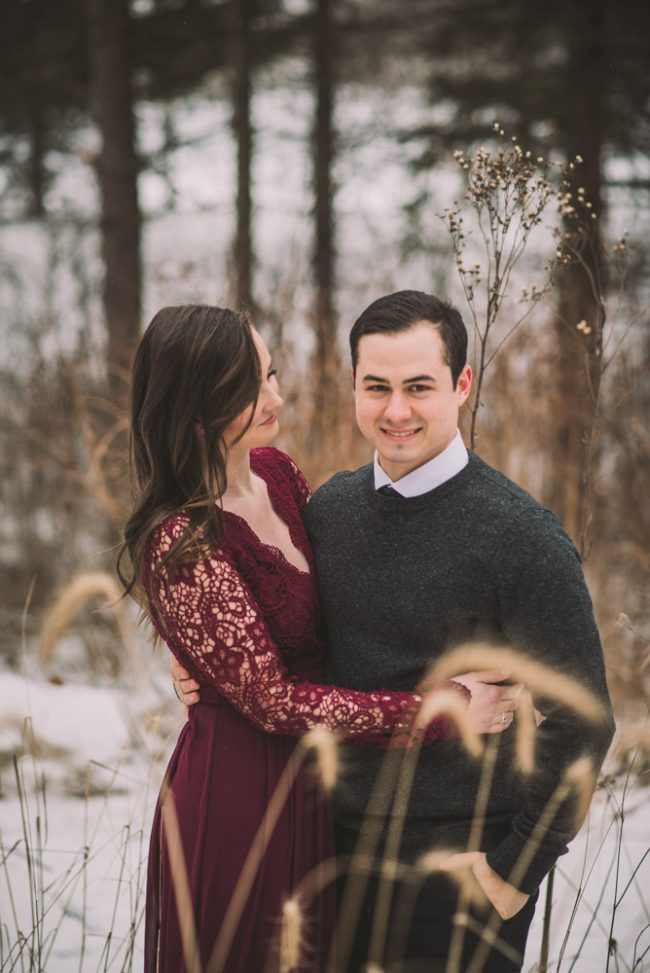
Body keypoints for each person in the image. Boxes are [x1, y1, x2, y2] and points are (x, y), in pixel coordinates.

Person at [176, 291, 615, 973]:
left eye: (419, 387)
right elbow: (276, 633)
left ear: (462, 384)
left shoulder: (520, 536)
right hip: (325, 853)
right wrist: (198, 669)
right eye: (376, 386)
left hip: (460, 864)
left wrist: (515, 869)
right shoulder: (331, 511)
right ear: (352, 384)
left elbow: (583, 719)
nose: (396, 410)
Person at [118, 303, 520, 973]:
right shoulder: (180, 541)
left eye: (271, 372)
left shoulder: (278, 473)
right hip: (241, 792)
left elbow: (315, 608)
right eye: (251, 387)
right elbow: (272, 700)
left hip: (319, 780)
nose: (276, 394)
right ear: (195, 409)